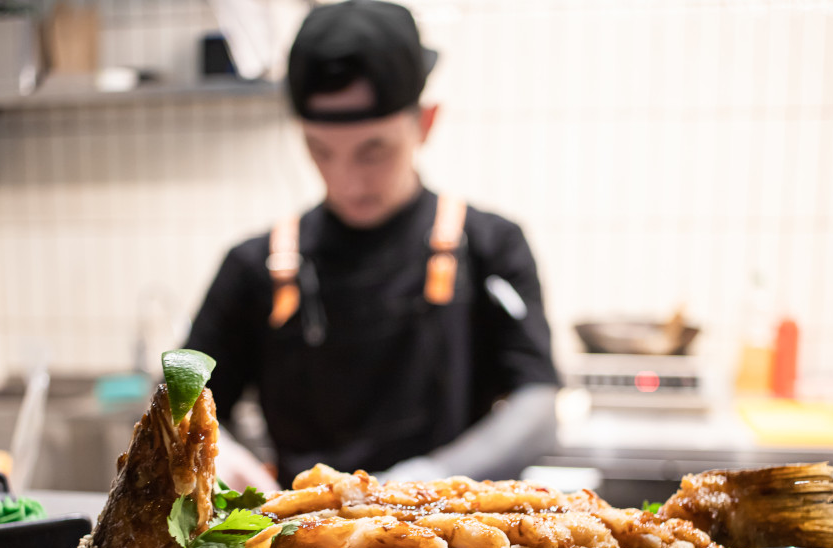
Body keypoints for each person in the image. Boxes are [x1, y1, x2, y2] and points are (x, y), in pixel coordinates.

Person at [185, 0, 560, 489]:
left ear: (425, 123)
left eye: (373, 152)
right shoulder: (255, 265)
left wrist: (426, 478)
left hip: (447, 524)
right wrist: (220, 459)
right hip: (305, 526)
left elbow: (537, 403)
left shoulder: (491, 246)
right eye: (321, 151)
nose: (349, 181)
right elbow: (181, 395)